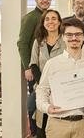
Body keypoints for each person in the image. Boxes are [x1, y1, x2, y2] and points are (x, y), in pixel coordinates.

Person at [36, 18, 84, 138]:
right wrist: (47, 108)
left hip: (83, 124)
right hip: (57, 124)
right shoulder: (52, 64)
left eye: (78, 34)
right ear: (62, 37)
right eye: (69, 34)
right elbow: (42, 90)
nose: (74, 38)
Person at [17, 0, 52, 137]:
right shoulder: (31, 17)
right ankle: (36, 132)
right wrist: (27, 67)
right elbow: (22, 43)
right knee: (36, 103)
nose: (44, 0)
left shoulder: (49, 17)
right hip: (35, 68)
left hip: (48, 68)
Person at [29, 9, 66, 138]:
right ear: (43, 23)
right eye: (47, 19)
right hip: (43, 86)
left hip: (62, 87)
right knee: (38, 116)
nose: (51, 21)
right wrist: (41, 83)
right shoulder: (38, 42)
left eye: (54, 18)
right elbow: (33, 64)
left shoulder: (66, 40)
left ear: (59, 22)